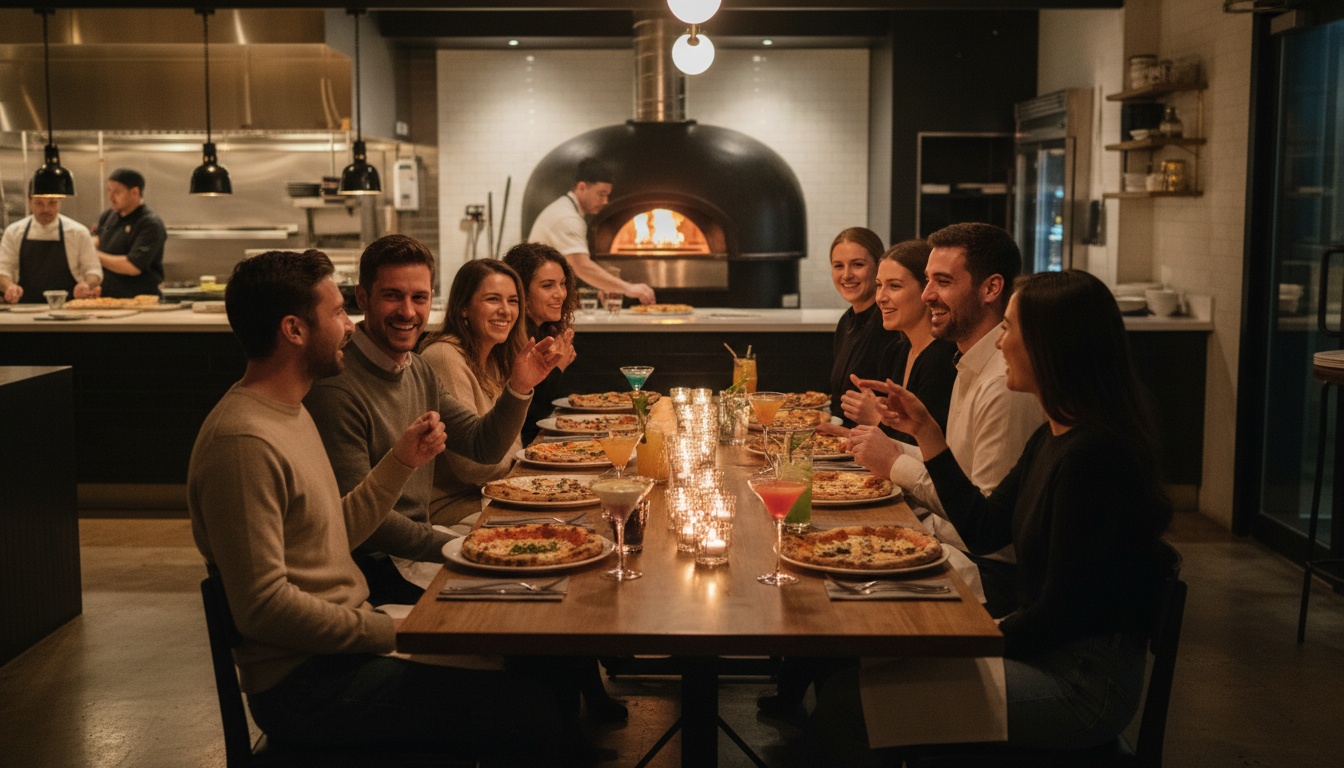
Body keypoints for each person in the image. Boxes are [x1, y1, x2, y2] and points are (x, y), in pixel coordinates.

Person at [186, 248, 561, 760]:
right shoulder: (243, 442)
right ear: (295, 330)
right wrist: (391, 631)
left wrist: (399, 462)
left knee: (522, 654)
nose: (349, 326)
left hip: (341, 646)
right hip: (306, 685)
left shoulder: (287, 412)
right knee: (526, 706)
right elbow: (264, 610)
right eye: (338, 312)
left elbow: (333, 528)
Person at [811, 269, 1174, 762]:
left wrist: (968, 643)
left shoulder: (1096, 458)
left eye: (1009, 329)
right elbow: (983, 529)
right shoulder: (1054, 436)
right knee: (862, 672)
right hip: (1050, 653)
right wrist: (927, 434)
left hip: (1078, 686)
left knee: (848, 702)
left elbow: (1061, 612)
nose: (1000, 343)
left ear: (1051, 345)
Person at [304, 235, 561, 607]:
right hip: (376, 568)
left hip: (420, 546)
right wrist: (464, 546)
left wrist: (520, 387)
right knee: (534, 600)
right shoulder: (338, 386)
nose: (408, 312)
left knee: (552, 581)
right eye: (393, 295)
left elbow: (482, 445)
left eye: (419, 298)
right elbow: (364, 523)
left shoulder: (416, 368)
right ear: (362, 298)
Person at [845, 222, 1043, 617]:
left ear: (990, 289)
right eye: (928, 281)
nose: (928, 294)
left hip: (991, 575)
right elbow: (959, 475)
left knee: (847, 601)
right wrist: (901, 441)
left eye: (942, 281)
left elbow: (985, 530)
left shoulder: (1003, 383)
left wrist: (895, 461)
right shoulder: (967, 362)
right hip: (959, 549)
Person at [420, 258, 528, 525]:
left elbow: (512, 445)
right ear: (464, 308)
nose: (505, 311)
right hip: (452, 506)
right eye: (493, 299)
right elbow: (475, 468)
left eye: (512, 301)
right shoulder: (444, 356)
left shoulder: (493, 357)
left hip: (492, 493)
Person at [841, 239, 958, 441]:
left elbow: (927, 448)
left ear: (927, 291)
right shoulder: (898, 351)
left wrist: (875, 418)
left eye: (894, 286)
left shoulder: (940, 359)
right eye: (879, 286)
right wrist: (849, 433)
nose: (881, 297)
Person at [528, 157, 656, 305]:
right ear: (581, 187)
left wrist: (603, 283)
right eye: (601, 194)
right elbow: (581, 266)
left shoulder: (567, 210)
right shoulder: (567, 217)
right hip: (537, 299)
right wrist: (629, 288)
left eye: (607, 195)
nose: (605, 201)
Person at [502, 242, 581, 446]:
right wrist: (557, 367)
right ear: (522, 292)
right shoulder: (509, 337)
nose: (560, 294)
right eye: (547, 285)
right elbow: (529, 422)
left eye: (562, 283)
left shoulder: (545, 331)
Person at [827, 227, 900, 426]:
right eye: (838, 266)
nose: (846, 275)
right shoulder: (846, 320)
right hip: (838, 438)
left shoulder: (890, 325)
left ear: (879, 268)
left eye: (857, 265)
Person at [0, 191, 101, 303]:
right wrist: (9, 287)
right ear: (29, 201)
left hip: (70, 310)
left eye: (52, 203)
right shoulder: (13, 232)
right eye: (39, 203)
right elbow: (3, 270)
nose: (46, 210)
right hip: (24, 309)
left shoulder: (78, 233)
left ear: (60, 202)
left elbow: (93, 270)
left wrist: (87, 284)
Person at [91, 168, 166, 298]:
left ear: (135, 192)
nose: (111, 197)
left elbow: (132, 267)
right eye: (109, 191)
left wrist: (94, 255)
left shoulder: (149, 224)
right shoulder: (108, 216)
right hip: (107, 298)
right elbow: (98, 238)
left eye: (117, 192)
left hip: (140, 300)